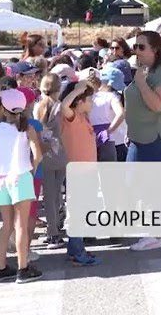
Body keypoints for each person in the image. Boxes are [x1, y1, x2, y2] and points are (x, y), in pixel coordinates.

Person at [125, 30, 161, 251]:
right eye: (135, 46)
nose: (137, 51)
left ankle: (154, 234)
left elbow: (159, 105)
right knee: (134, 183)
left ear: (155, 49)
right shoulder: (145, 71)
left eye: (141, 47)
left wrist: (141, 84)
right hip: (140, 138)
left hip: (157, 138)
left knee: (151, 187)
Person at [0, 88, 43, 284]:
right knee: (21, 225)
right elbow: (38, 155)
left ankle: (0, 267)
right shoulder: (28, 129)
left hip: (1, 178)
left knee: (6, 225)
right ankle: (23, 268)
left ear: (3, 108)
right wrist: (32, 169)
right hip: (21, 176)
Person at [59, 79, 99, 266]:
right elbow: (64, 105)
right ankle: (77, 252)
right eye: (89, 99)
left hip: (87, 172)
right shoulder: (72, 116)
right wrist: (78, 90)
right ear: (79, 102)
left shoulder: (83, 117)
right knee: (78, 211)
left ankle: (75, 248)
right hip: (78, 173)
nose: (92, 103)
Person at [34, 74, 67, 249]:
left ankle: (52, 232)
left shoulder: (39, 106)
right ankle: (56, 227)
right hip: (60, 152)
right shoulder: (60, 107)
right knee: (56, 194)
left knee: (48, 196)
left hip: (45, 153)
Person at [88, 67, 126, 162]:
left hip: (89, 138)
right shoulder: (110, 96)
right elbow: (121, 114)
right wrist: (108, 131)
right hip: (110, 139)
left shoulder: (83, 99)